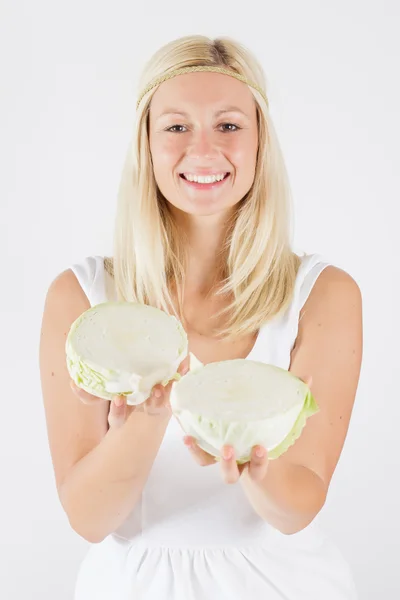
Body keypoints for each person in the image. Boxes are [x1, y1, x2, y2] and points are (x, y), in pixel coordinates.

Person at [39, 34, 363, 600]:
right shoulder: (81, 297)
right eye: (177, 126)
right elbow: (90, 519)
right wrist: (147, 416)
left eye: (230, 125)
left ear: (261, 140)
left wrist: (256, 465)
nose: (205, 150)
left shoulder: (324, 294)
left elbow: (298, 510)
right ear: (147, 143)